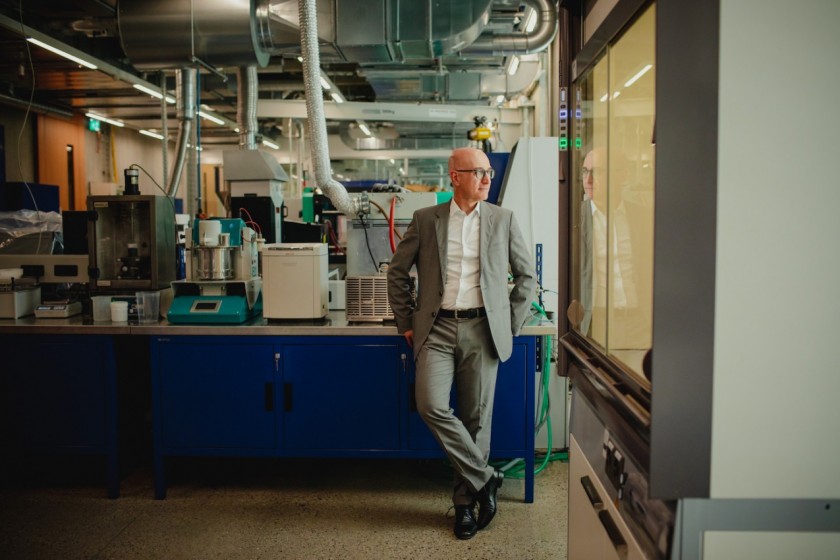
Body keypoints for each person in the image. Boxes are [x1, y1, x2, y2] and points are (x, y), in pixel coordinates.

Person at [387, 147, 536, 540]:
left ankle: (465, 505)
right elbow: (397, 272)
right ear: (455, 176)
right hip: (435, 329)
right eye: (478, 173)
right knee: (430, 404)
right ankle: (486, 478)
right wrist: (406, 321)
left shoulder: (502, 220)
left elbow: (527, 278)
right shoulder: (425, 219)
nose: (487, 179)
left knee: (475, 421)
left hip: (482, 330)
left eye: (488, 172)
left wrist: (511, 323)